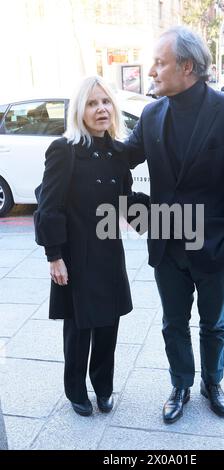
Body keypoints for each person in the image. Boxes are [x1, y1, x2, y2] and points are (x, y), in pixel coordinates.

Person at [124, 26, 224, 423]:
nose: (151, 70)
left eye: (160, 62)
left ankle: (212, 382)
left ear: (187, 66)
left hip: (216, 246)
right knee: (173, 323)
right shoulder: (152, 113)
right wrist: (81, 146)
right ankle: (181, 383)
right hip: (167, 245)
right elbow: (123, 157)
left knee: (214, 323)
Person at [34, 75, 148, 417]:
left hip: (109, 253)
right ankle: (75, 391)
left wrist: (169, 224)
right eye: (92, 103)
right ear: (79, 111)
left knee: (108, 326)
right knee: (80, 330)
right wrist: (54, 256)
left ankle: (103, 387)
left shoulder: (116, 152)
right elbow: (48, 206)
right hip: (75, 255)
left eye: (105, 102)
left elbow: (126, 203)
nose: (101, 109)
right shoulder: (64, 151)